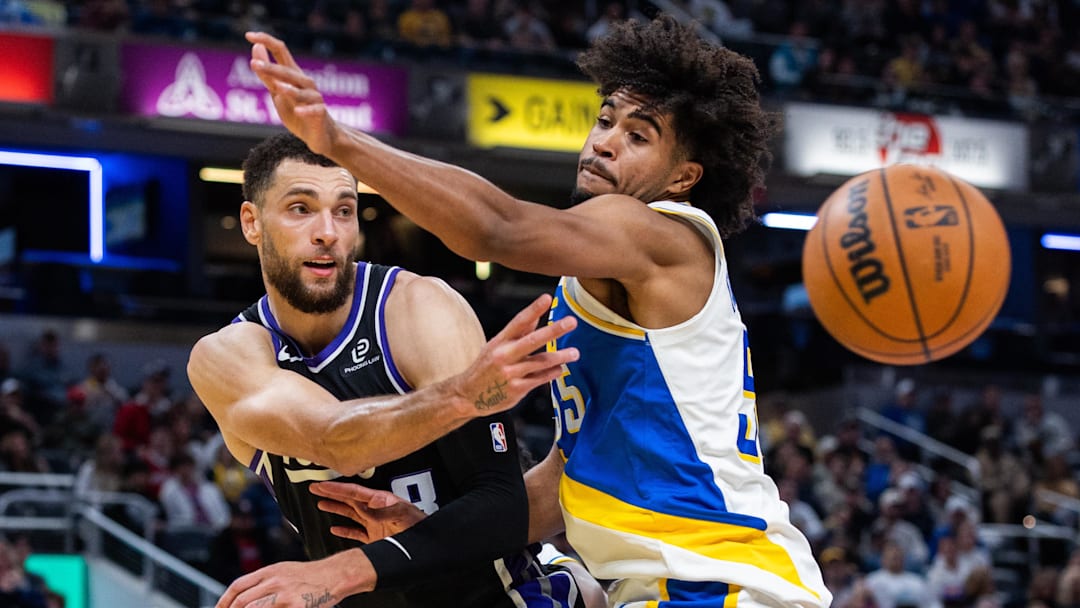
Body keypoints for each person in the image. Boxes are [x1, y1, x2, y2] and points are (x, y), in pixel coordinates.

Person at [247, 13, 830, 607]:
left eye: (639, 135)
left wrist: (338, 141)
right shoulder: (603, 278)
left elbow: (496, 228)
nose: (604, 141)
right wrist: (426, 534)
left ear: (683, 176)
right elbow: (562, 485)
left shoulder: (660, 233)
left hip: (724, 584)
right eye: (605, 120)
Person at [187, 133, 581, 607]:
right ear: (251, 222)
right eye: (300, 209)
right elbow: (331, 438)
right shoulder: (228, 355)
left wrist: (386, 553)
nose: (327, 232)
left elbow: (503, 504)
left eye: (344, 209)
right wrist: (457, 397)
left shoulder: (417, 309)